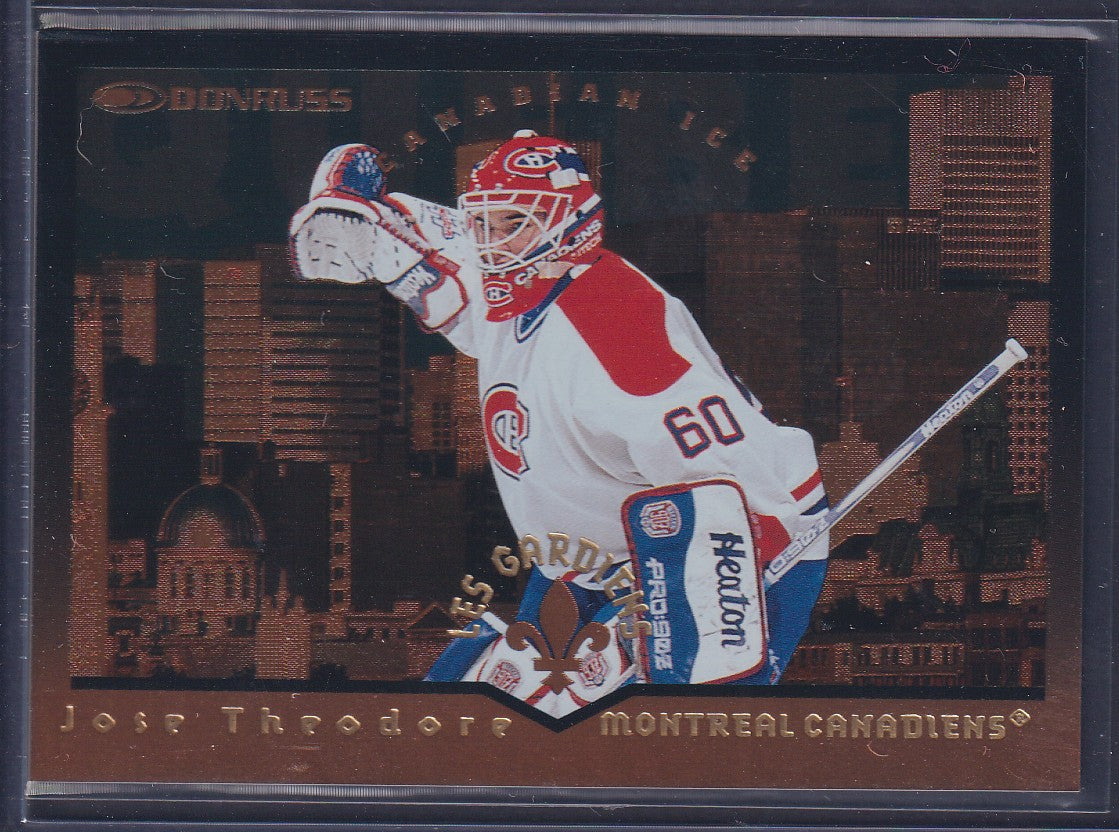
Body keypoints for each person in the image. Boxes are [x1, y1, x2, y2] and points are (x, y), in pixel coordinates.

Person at [289, 132, 829, 716]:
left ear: (571, 228)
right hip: (588, 561)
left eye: (511, 224)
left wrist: (698, 609)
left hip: (721, 550)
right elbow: (451, 281)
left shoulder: (619, 334)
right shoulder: (525, 276)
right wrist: (365, 216)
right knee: (465, 718)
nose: (489, 244)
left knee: (662, 738)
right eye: (482, 224)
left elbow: (739, 493)